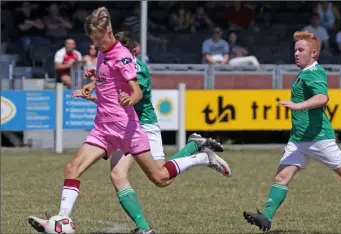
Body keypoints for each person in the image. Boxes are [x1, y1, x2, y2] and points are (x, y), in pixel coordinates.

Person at [28, 7, 231, 234]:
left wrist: (129, 98)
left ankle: (200, 157)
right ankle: (62, 218)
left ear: (109, 32)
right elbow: (107, 76)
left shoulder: (124, 57)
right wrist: (91, 85)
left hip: (127, 129)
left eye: (98, 39)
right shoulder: (104, 51)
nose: (96, 45)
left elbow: (137, 92)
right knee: (72, 167)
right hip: (103, 128)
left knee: (161, 177)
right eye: (92, 40)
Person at [71, 31, 223, 233]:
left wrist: (95, 89)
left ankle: (194, 149)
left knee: (162, 179)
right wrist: (93, 85)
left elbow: (123, 101)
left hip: (143, 125)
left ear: (130, 52)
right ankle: (143, 228)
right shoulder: (114, 64)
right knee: (117, 174)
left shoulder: (138, 70)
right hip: (123, 125)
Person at [242, 31, 341, 232]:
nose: (296, 53)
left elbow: (323, 98)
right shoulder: (304, 72)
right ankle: (266, 218)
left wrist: (298, 106)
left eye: (301, 50)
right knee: (281, 177)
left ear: (314, 54)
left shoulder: (313, 73)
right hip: (298, 140)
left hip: (317, 138)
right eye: (295, 49)